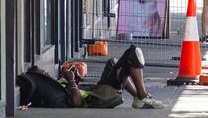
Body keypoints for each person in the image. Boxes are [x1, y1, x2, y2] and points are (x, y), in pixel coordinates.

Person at [22, 46, 164, 109]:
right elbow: (76, 102)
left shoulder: (55, 85)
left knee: (115, 63)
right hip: (100, 97)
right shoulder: (52, 92)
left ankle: (139, 98)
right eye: (44, 73)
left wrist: (75, 80)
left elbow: (75, 92)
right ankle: (142, 96)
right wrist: (71, 80)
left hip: (97, 91)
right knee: (132, 54)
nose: (47, 73)